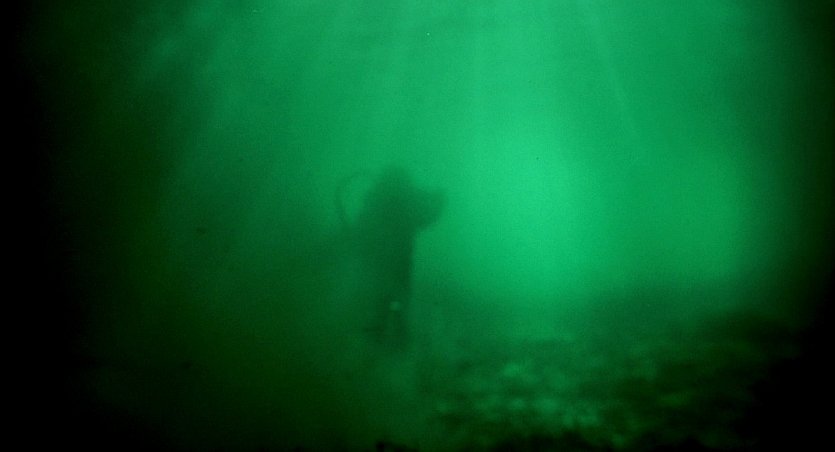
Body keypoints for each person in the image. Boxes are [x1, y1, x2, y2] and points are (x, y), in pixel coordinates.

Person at [347, 166, 445, 347]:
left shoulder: (378, 197)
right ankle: (398, 338)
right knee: (398, 296)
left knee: (381, 296)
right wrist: (439, 203)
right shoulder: (407, 199)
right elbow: (425, 220)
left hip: (379, 257)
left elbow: (361, 225)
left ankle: (377, 337)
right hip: (400, 259)